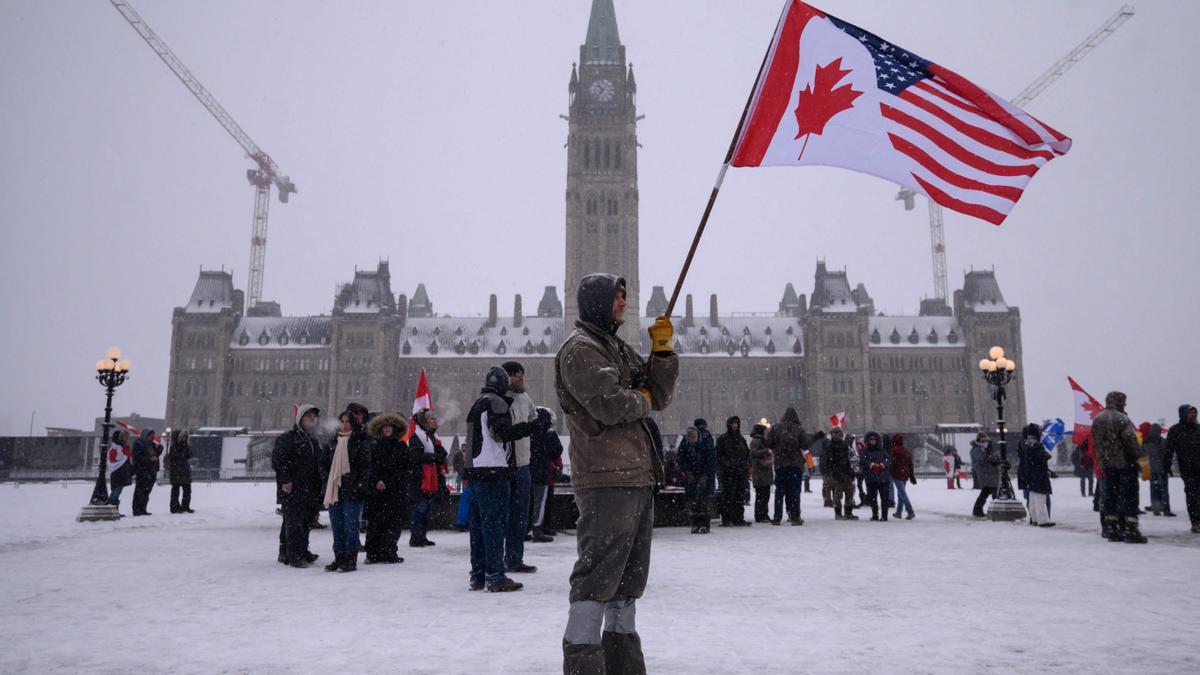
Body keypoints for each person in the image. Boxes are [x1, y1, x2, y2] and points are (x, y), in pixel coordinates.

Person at [555, 272, 678, 674]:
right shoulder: (580, 350)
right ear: (596, 302)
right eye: (617, 297)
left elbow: (656, 395)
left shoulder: (614, 347)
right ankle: (583, 664)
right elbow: (611, 404)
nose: (624, 303)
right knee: (596, 580)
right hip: (606, 478)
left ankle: (624, 665)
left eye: (625, 297)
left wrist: (661, 354)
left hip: (635, 477)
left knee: (628, 580)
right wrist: (640, 397)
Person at [465, 365, 548, 593]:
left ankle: (478, 575)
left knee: (479, 526)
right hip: (494, 469)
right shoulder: (497, 402)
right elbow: (503, 434)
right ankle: (495, 576)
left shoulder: (478, 402)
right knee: (494, 525)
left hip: (476, 472)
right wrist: (533, 426)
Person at [322, 409, 374, 572]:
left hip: (352, 490)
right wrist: (326, 481)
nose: (344, 425)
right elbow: (324, 464)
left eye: (348, 422)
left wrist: (359, 486)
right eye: (342, 421)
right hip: (334, 488)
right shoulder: (333, 442)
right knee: (337, 526)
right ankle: (339, 557)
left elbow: (365, 468)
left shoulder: (360, 441)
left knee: (350, 526)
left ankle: (350, 559)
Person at [272, 404, 323, 568]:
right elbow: (279, 461)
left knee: (306, 521)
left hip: (310, 488)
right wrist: (286, 480)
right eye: (308, 415)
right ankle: (294, 555)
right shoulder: (289, 438)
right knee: (294, 522)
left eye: (313, 416)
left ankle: (299, 550)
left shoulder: (313, 440)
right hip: (293, 487)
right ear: (300, 418)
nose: (311, 419)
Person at [499, 361, 539, 572]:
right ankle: (497, 561)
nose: (521, 377)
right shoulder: (498, 400)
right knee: (501, 516)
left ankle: (514, 559)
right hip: (503, 466)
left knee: (520, 515)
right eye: (516, 374)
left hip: (523, 464)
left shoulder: (525, 399)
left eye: (522, 373)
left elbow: (534, 417)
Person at [1092, 391, 1146, 543]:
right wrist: (1141, 460)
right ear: (1118, 401)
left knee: (1111, 497)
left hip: (1108, 465)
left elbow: (1097, 444)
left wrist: (1103, 461)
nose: (1125, 404)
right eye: (1123, 401)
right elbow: (1131, 441)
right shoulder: (1122, 418)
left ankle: (1111, 528)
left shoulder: (1098, 419)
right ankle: (1130, 529)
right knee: (1130, 496)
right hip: (1125, 463)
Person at [364, 412, 409, 564]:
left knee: (393, 523)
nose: (387, 429)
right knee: (375, 523)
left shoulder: (401, 447)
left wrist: (391, 482)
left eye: (390, 426)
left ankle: (389, 551)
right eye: (385, 427)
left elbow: (405, 469)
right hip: (377, 491)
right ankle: (373, 553)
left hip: (395, 490)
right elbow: (370, 467)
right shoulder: (374, 446)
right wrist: (377, 481)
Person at [409, 409, 447, 549]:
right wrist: (434, 458)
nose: (434, 422)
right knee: (420, 509)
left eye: (434, 419)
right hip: (421, 478)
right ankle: (416, 537)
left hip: (430, 478)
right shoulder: (417, 437)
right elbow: (414, 458)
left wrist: (439, 455)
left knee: (426, 509)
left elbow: (439, 454)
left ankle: (422, 536)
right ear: (425, 422)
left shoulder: (431, 437)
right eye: (431, 419)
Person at [529, 407, 563, 543]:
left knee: (528, 503)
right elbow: (557, 451)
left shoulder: (530, 432)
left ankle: (525, 529)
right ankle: (537, 529)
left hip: (528, 471)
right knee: (540, 503)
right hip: (542, 473)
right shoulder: (548, 434)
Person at [767, 407, 806, 526]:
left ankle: (777, 517)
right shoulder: (799, 429)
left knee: (780, 492)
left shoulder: (776, 428)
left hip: (781, 464)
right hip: (795, 465)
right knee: (795, 492)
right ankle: (795, 516)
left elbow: (769, 444)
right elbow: (804, 445)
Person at [1165, 404, 1200, 533]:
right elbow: (1169, 449)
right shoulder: (1176, 430)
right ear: (1183, 414)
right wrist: (1166, 465)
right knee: (1192, 495)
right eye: (1191, 412)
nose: (1193, 415)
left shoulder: (1198, 429)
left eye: (1195, 413)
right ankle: (1195, 521)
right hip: (1187, 468)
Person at [715, 416, 751, 527]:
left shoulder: (741, 439)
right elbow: (719, 456)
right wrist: (728, 465)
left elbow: (746, 454)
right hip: (728, 472)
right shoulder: (723, 439)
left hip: (740, 472)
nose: (735, 425)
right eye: (733, 423)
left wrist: (744, 466)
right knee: (728, 496)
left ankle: (738, 518)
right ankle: (727, 519)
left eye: (737, 423)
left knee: (739, 496)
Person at [678, 427, 714, 534]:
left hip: (705, 477)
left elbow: (711, 460)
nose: (692, 441)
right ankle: (695, 524)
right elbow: (681, 459)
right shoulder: (684, 444)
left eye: (693, 438)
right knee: (693, 502)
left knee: (703, 502)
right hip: (691, 478)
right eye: (690, 439)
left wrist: (705, 475)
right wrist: (687, 471)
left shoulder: (706, 442)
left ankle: (704, 525)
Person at [1021, 425, 1055, 527]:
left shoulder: (1027, 444)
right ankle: (1043, 520)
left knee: (1033, 498)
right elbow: (1042, 457)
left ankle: (1035, 518)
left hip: (1031, 475)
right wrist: (1046, 455)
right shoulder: (1036, 445)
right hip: (1039, 475)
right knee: (1040, 498)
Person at [822, 427, 857, 520]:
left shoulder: (844, 445)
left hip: (845, 471)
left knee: (849, 492)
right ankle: (838, 513)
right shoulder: (830, 446)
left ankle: (848, 512)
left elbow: (847, 459)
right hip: (836, 473)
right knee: (838, 494)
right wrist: (835, 472)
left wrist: (850, 471)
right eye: (834, 433)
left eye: (837, 433)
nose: (836, 435)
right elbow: (829, 461)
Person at [1142, 423, 1174, 517]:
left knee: (1153, 490)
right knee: (1164, 491)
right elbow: (1166, 454)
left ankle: (1156, 510)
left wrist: (1145, 469)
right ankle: (1166, 510)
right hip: (1161, 469)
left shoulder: (1145, 441)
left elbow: (1142, 455)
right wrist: (1167, 467)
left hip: (1151, 469)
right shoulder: (1162, 441)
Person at [859, 432, 891, 521]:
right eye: (871, 439)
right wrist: (871, 465)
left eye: (875, 439)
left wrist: (882, 465)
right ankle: (875, 514)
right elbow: (862, 461)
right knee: (873, 498)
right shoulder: (865, 451)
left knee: (884, 498)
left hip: (883, 478)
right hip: (871, 478)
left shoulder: (882, 451)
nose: (873, 441)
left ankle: (884, 516)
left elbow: (888, 460)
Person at [131, 428, 162, 516]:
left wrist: (159, 451)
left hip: (151, 471)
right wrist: (149, 459)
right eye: (150, 436)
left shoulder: (151, 445)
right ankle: (137, 509)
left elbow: (154, 457)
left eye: (153, 436)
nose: (152, 437)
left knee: (146, 491)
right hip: (142, 471)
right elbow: (138, 457)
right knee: (140, 491)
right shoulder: (139, 444)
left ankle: (143, 508)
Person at [970, 433, 1000, 518]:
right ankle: (978, 510)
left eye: (986, 440)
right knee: (987, 491)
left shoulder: (988, 449)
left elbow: (993, 458)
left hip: (992, 473)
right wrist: (991, 457)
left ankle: (980, 510)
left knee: (992, 491)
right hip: (984, 473)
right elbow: (981, 459)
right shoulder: (976, 449)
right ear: (979, 440)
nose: (985, 442)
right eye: (983, 440)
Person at [749, 423, 774, 523]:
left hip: (764, 472)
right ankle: (760, 515)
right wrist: (766, 452)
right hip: (760, 472)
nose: (767, 432)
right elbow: (753, 454)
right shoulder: (757, 441)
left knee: (765, 495)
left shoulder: (763, 440)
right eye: (765, 431)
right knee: (761, 495)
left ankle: (763, 514)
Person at [105, 429, 134, 515]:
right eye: (125, 437)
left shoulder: (122, 447)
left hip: (122, 471)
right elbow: (115, 459)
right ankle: (110, 506)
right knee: (116, 490)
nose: (127, 439)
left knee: (118, 490)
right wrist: (125, 451)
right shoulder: (115, 447)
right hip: (117, 471)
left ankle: (114, 509)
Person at [166, 429, 194, 514]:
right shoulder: (174, 446)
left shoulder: (186, 446)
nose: (185, 438)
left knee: (187, 490)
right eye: (183, 437)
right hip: (177, 471)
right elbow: (176, 457)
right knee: (176, 490)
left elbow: (189, 455)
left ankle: (185, 506)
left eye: (186, 437)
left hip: (184, 471)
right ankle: (175, 507)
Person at [890, 433, 916, 520]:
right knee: (901, 492)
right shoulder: (906, 450)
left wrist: (889, 472)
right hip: (905, 474)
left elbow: (892, 463)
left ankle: (910, 511)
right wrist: (912, 476)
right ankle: (898, 512)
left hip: (897, 474)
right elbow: (910, 464)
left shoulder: (894, 451)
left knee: (902, 493)